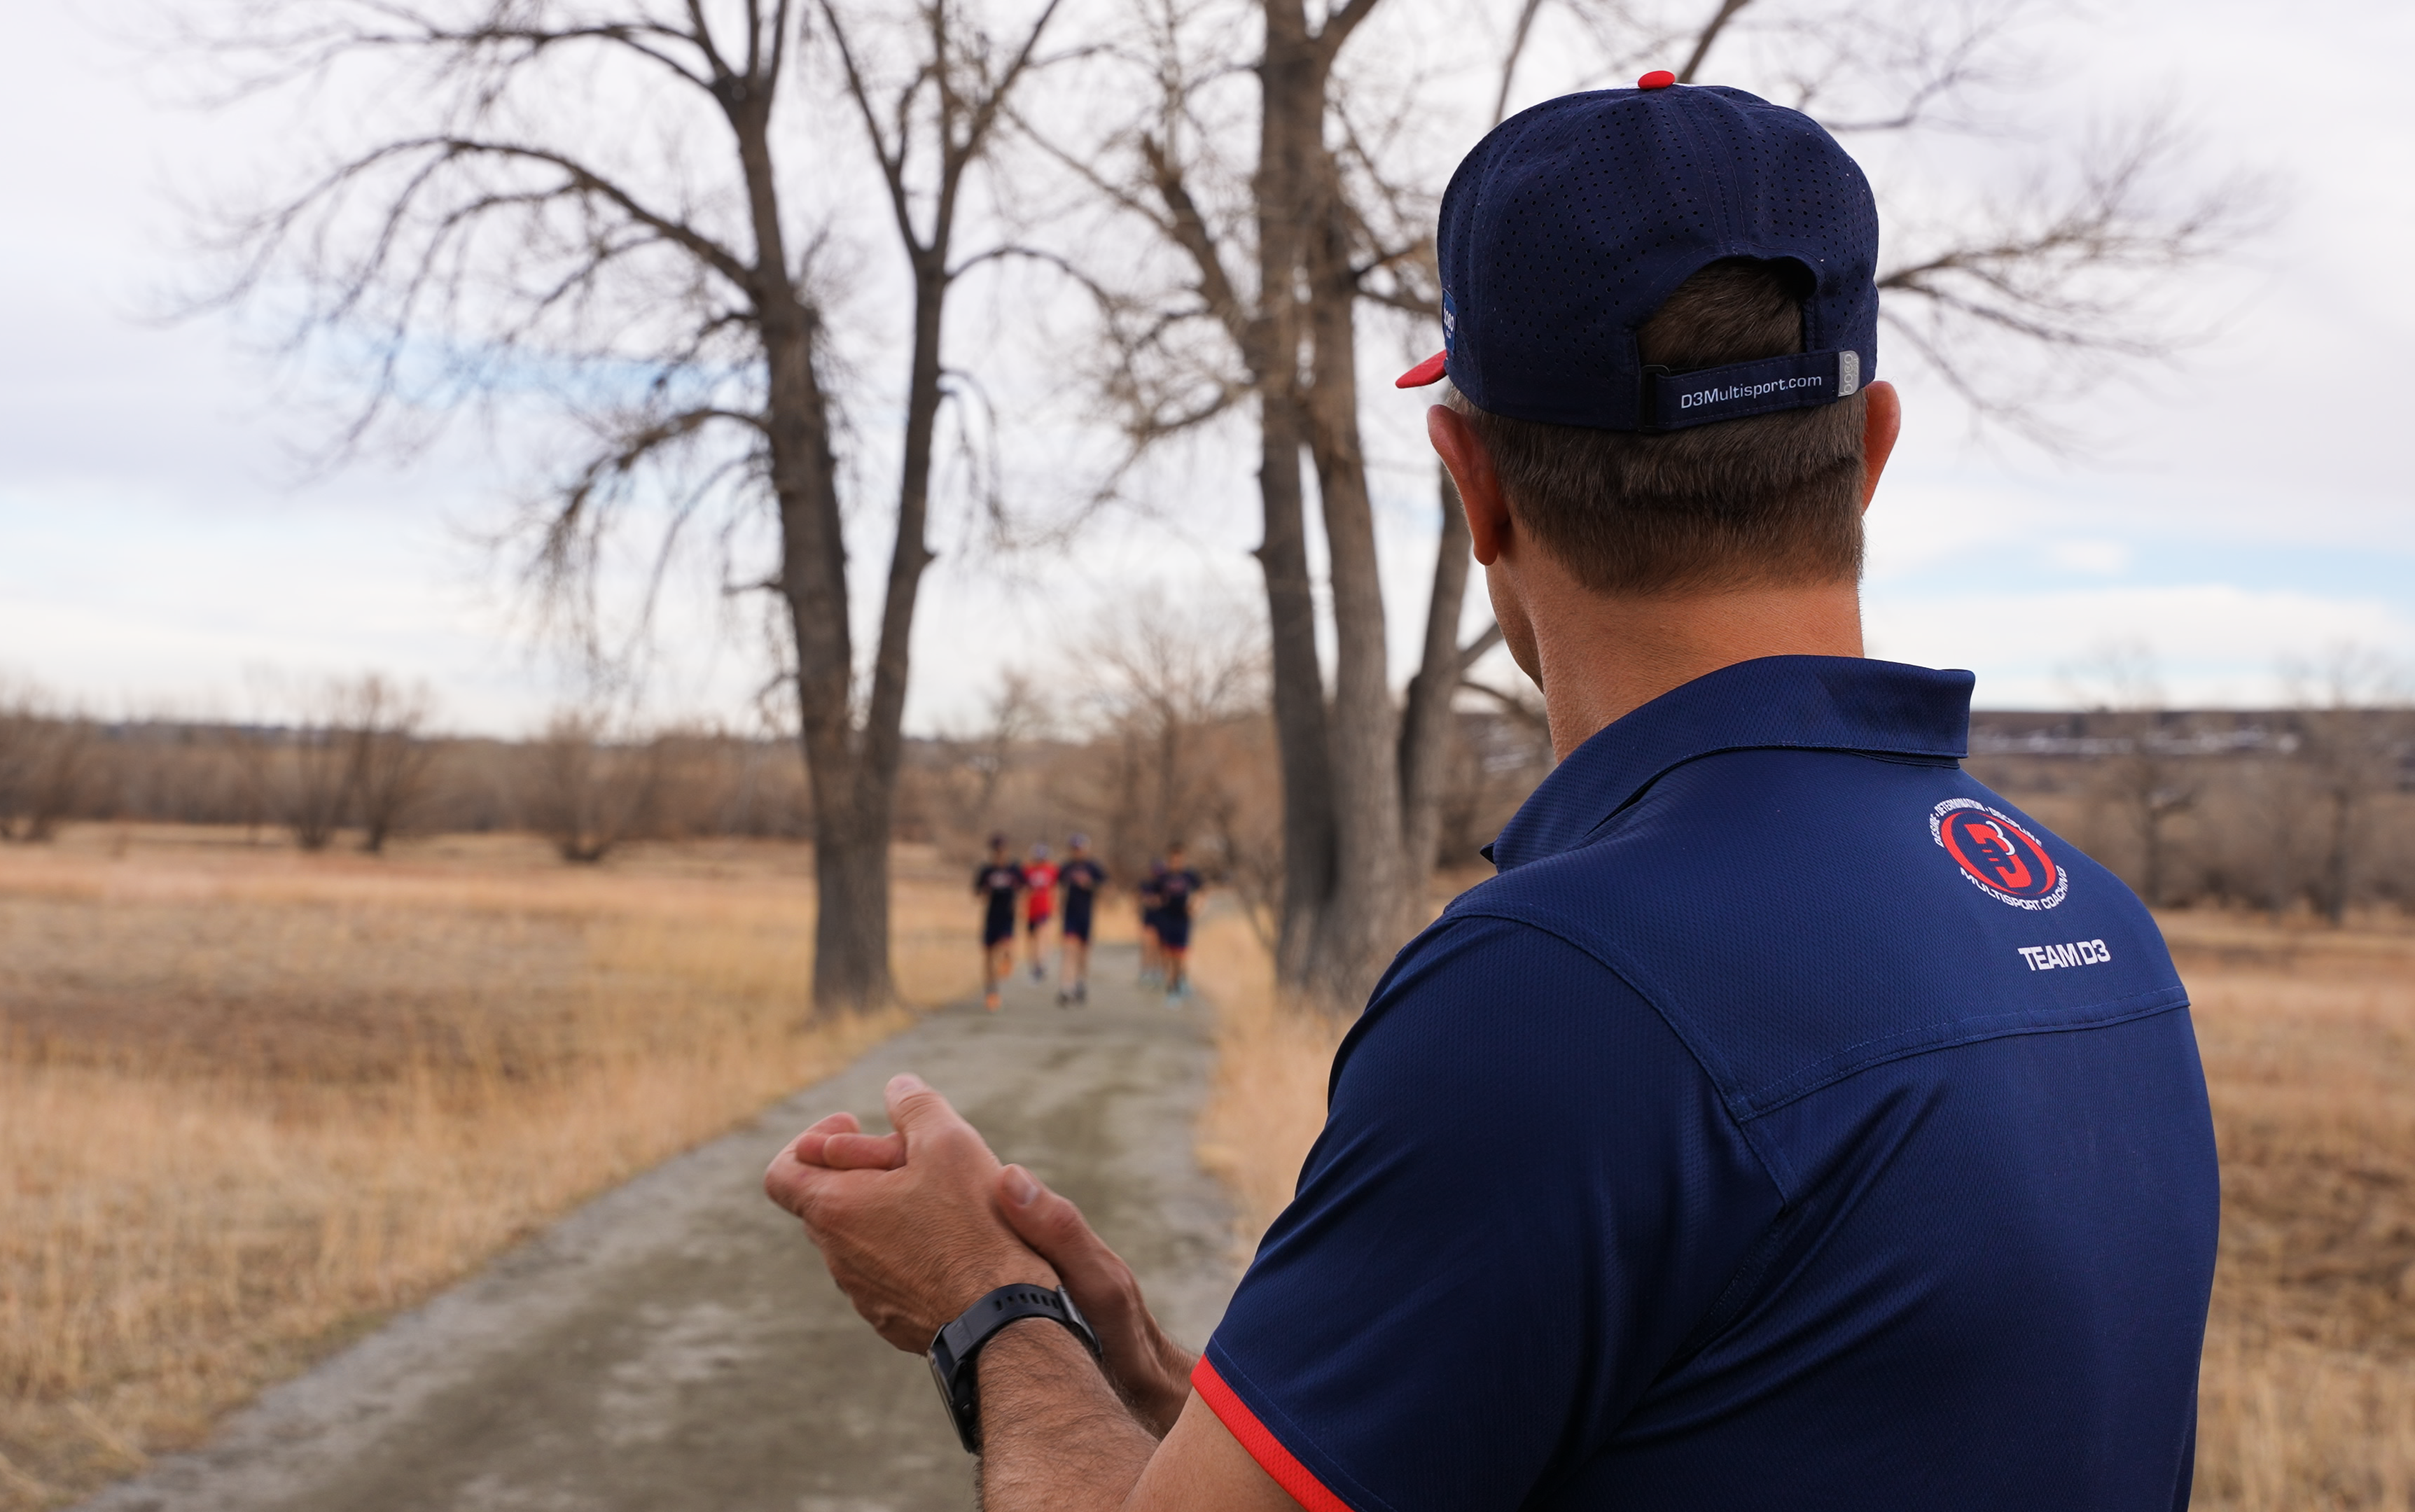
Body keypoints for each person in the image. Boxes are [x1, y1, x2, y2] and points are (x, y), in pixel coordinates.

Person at [768, 74, 2216, 1512]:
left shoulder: (1563, 988)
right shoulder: (2103, 937)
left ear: (1476, 484)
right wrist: (1176, 1395)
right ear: (1872, 449)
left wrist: (989, 1311)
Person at [970, 834, 1025, 1011]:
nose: (1000, 854)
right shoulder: (986, 871)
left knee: (1006, 946)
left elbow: (1025, 888)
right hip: (991, 917)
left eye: (1002, 851)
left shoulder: (1014, 869)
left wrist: (1019, 903)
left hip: (1007, 916)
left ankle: (1008, 961)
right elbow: (977, 893)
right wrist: (985, 891)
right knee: (988, 957)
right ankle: (991, 993)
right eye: (997, 851)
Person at [1054, 835, 1108, 1006]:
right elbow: (1058, 887)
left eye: (1080, 848)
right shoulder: (1066, 867)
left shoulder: (1093, 867)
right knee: (1069, 950)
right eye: (1074, 849)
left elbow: (1105, 888)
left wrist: (1090, 885)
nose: (1077, 852)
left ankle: (1080, 983)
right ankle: (1066, 987)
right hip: (1070, 916)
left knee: (1083, 953)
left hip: (1086, 916)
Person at [1148, 843, 1201, 1003]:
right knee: (1167, 953)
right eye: (1174, 860)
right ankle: (1171, 985)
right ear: (1169, 860)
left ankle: (1178, 984)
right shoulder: (1163, 877)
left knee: (1179, 954)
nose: (1177, 863)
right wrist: (1156, 901)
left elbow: (1202, 891)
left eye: (1180, 860)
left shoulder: (1189, 876)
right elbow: (1154, 895)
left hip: (1182, 919)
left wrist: (1195, 906)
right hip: (1166, 918)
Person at [1021, 844, 1060, 982]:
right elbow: (1023, 890)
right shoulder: (1027, 871)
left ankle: (1041, 965)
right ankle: (1035, 966)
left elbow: (1056, 889)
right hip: (1031, 910)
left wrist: (1056, 907)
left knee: (1042, 936)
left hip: (1045, 909)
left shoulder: (1052, 871)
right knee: (1032, 940)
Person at [1133, 855, 1167, 986]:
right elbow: (1140, 899)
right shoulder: (1146, 885)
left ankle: (1158, 971)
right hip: (1149, 919)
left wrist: (1158, 901)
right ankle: (1145, 971)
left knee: (1160, 947)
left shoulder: (1165, 886)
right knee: (1147, 946)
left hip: (1162, 919)